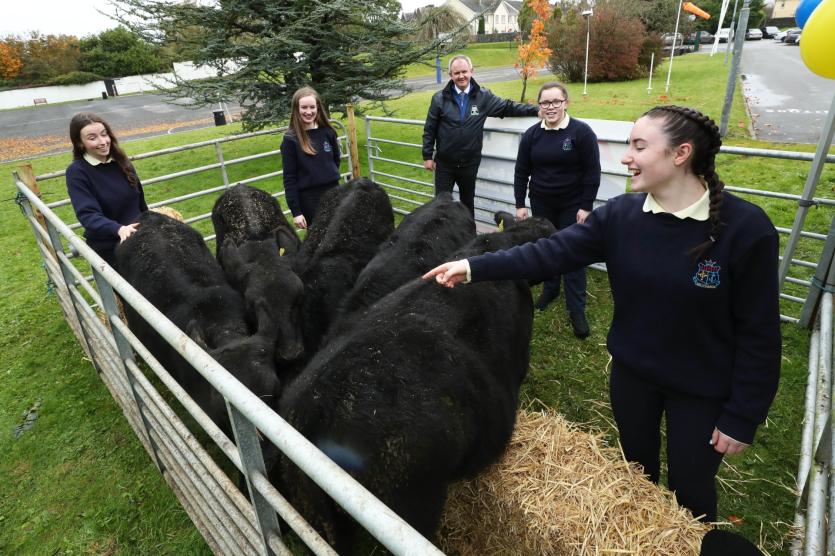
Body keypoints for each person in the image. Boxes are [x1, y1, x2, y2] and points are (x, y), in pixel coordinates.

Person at [422, 105, 781, 522]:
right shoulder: (621, 216)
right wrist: (473, 267)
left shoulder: (746, 229)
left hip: (702, 390)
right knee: (636, 475)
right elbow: (548, 253)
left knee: (692, 488)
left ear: (680, 154)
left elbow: (760, 334)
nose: (627, 156)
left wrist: (743, 414)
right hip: (633, 377)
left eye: (639, 146)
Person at [514, 82, 601, 337]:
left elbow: (592, 172)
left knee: (573, 253)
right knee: (547, 249)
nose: (550, 107)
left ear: (566, 103)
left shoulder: (581, 133)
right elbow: (522, 171)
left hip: (573, 205)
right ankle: (550, 289)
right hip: (542, 202)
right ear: (539, 105)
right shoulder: (531, 135)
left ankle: (576, 308)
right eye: (545, 103)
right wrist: (520, 204)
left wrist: (586, 205)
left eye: (555, 102)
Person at [422, 54, 539, 217]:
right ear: (451, 75)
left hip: (469, 163)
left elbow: (507, 107)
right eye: (456, 73)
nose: (461, 76)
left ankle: (468, 238)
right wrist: (427, 155)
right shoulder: (439, 98)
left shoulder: (483, 96)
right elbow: (430, 128)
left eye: (464, 71)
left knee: (467, 204)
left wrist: (536, 110)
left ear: (471, 71)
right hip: (444, 164)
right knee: (440, 206)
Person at [66, 113, 148, 270]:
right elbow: (88, 215)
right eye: (92, 138)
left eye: (104, 134)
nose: (103, 142)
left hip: (139, 237)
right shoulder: (77, 172)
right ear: (79, 143)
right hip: (109, 246)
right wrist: (119, 229)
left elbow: (141, 204)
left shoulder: (122, 162)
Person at [281, 86, 341, 229]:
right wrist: (296, 212)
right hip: (310, 201)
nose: (309, 112)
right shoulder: (291, 140)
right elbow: (289, 178)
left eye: (312, 107)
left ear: (318, 108)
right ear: (296, 109)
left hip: (334, 193)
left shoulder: (328, 132)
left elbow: (335, 160)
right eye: (304, 107)